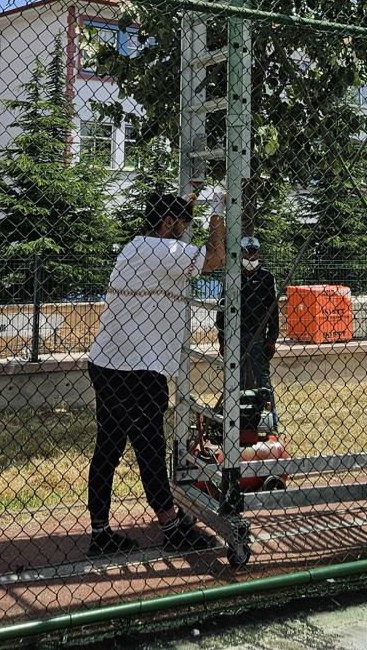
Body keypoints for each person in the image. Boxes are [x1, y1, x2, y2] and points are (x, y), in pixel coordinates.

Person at [85, 189, 226, 557]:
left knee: (109, 447)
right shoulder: (163, 251)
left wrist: (187, 201)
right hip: (138, 369)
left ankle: (100, 531)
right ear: (167, 223)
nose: (185, 230)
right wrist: (218, 212)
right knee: (150, 446)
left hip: (107, 364)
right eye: (182, 223)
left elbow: (179, 247)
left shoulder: (137, 247)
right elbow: (215, 257)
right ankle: (170, 526)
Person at [215, 235, 279, 431]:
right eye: (247, 253)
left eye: (254, 253)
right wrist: (223, 339)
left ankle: (270, 421)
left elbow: (273, 310)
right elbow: (222, 310)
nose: (251, 257)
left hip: (258, 335)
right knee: (236, 379)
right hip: (235, 335)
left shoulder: (267, 278)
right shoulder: (231, 277)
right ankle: (236, 420)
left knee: (262, 380)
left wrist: (272, 338)